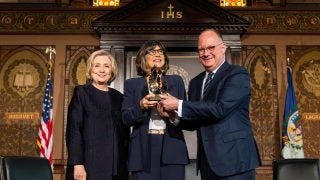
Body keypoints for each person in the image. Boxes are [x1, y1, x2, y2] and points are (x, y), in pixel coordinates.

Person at [159, 29, 261, 180]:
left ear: (223, 48)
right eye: (201, 49)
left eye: (211, 48)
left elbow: (220, 108)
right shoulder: (195, 82)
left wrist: (178, 104)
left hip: (235, 162)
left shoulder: (237, 74)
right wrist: (174, 117)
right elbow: (196, 121)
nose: (206, 53)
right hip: (207, 164)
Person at [121, 40, 189, 180]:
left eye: (160, 51)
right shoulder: (132, 84)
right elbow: (126, 119)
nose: (158, 54)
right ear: (142, 57)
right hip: (142, 149)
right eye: (152, 51)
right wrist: (141, 105)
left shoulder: (176, 81)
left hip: (172, 146)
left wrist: (171, 115)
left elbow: (187, 117)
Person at [66, 49, 130, 180]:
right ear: (90, 69)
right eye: (97, 65)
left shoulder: (119, 97)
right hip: (89, 166)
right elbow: (74, 130)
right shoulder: (81, 92)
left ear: (112, 71)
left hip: (116, 168)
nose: (102, 70)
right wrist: (77, 163)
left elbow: (124, 134)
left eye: (106, 66)